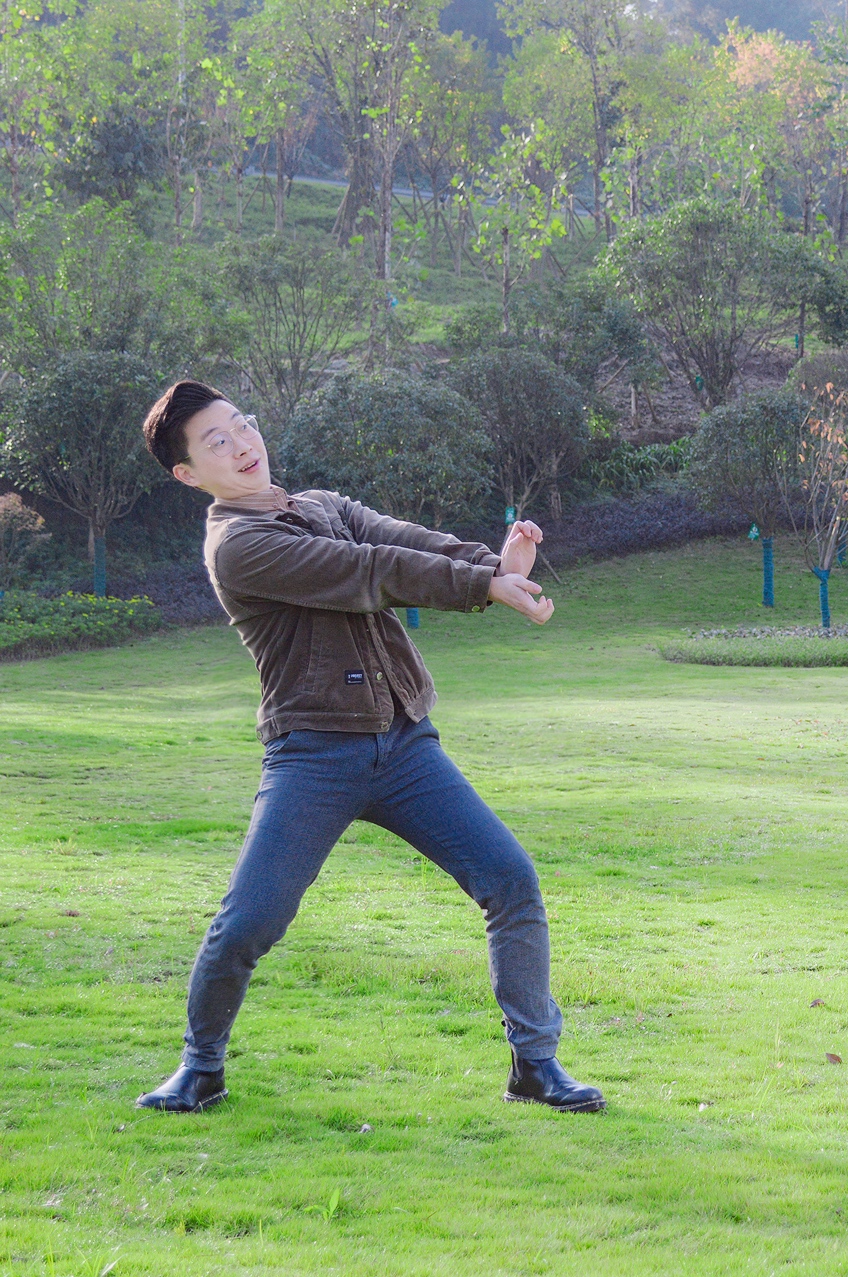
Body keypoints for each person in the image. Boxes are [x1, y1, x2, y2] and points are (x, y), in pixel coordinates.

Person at [132, 380, 604, 1113]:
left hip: (404, 743)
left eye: (242, 424)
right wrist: (483, 586)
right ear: (188, 474)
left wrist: (495, 564)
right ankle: (200, 1068)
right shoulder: (240, 547)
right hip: (314, 756)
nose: (243, 443)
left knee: (510, 879)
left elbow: (404, 541)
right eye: (217, 442)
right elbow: (368, 573)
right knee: (251, 920)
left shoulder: (322, 504)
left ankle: (536, 1066)